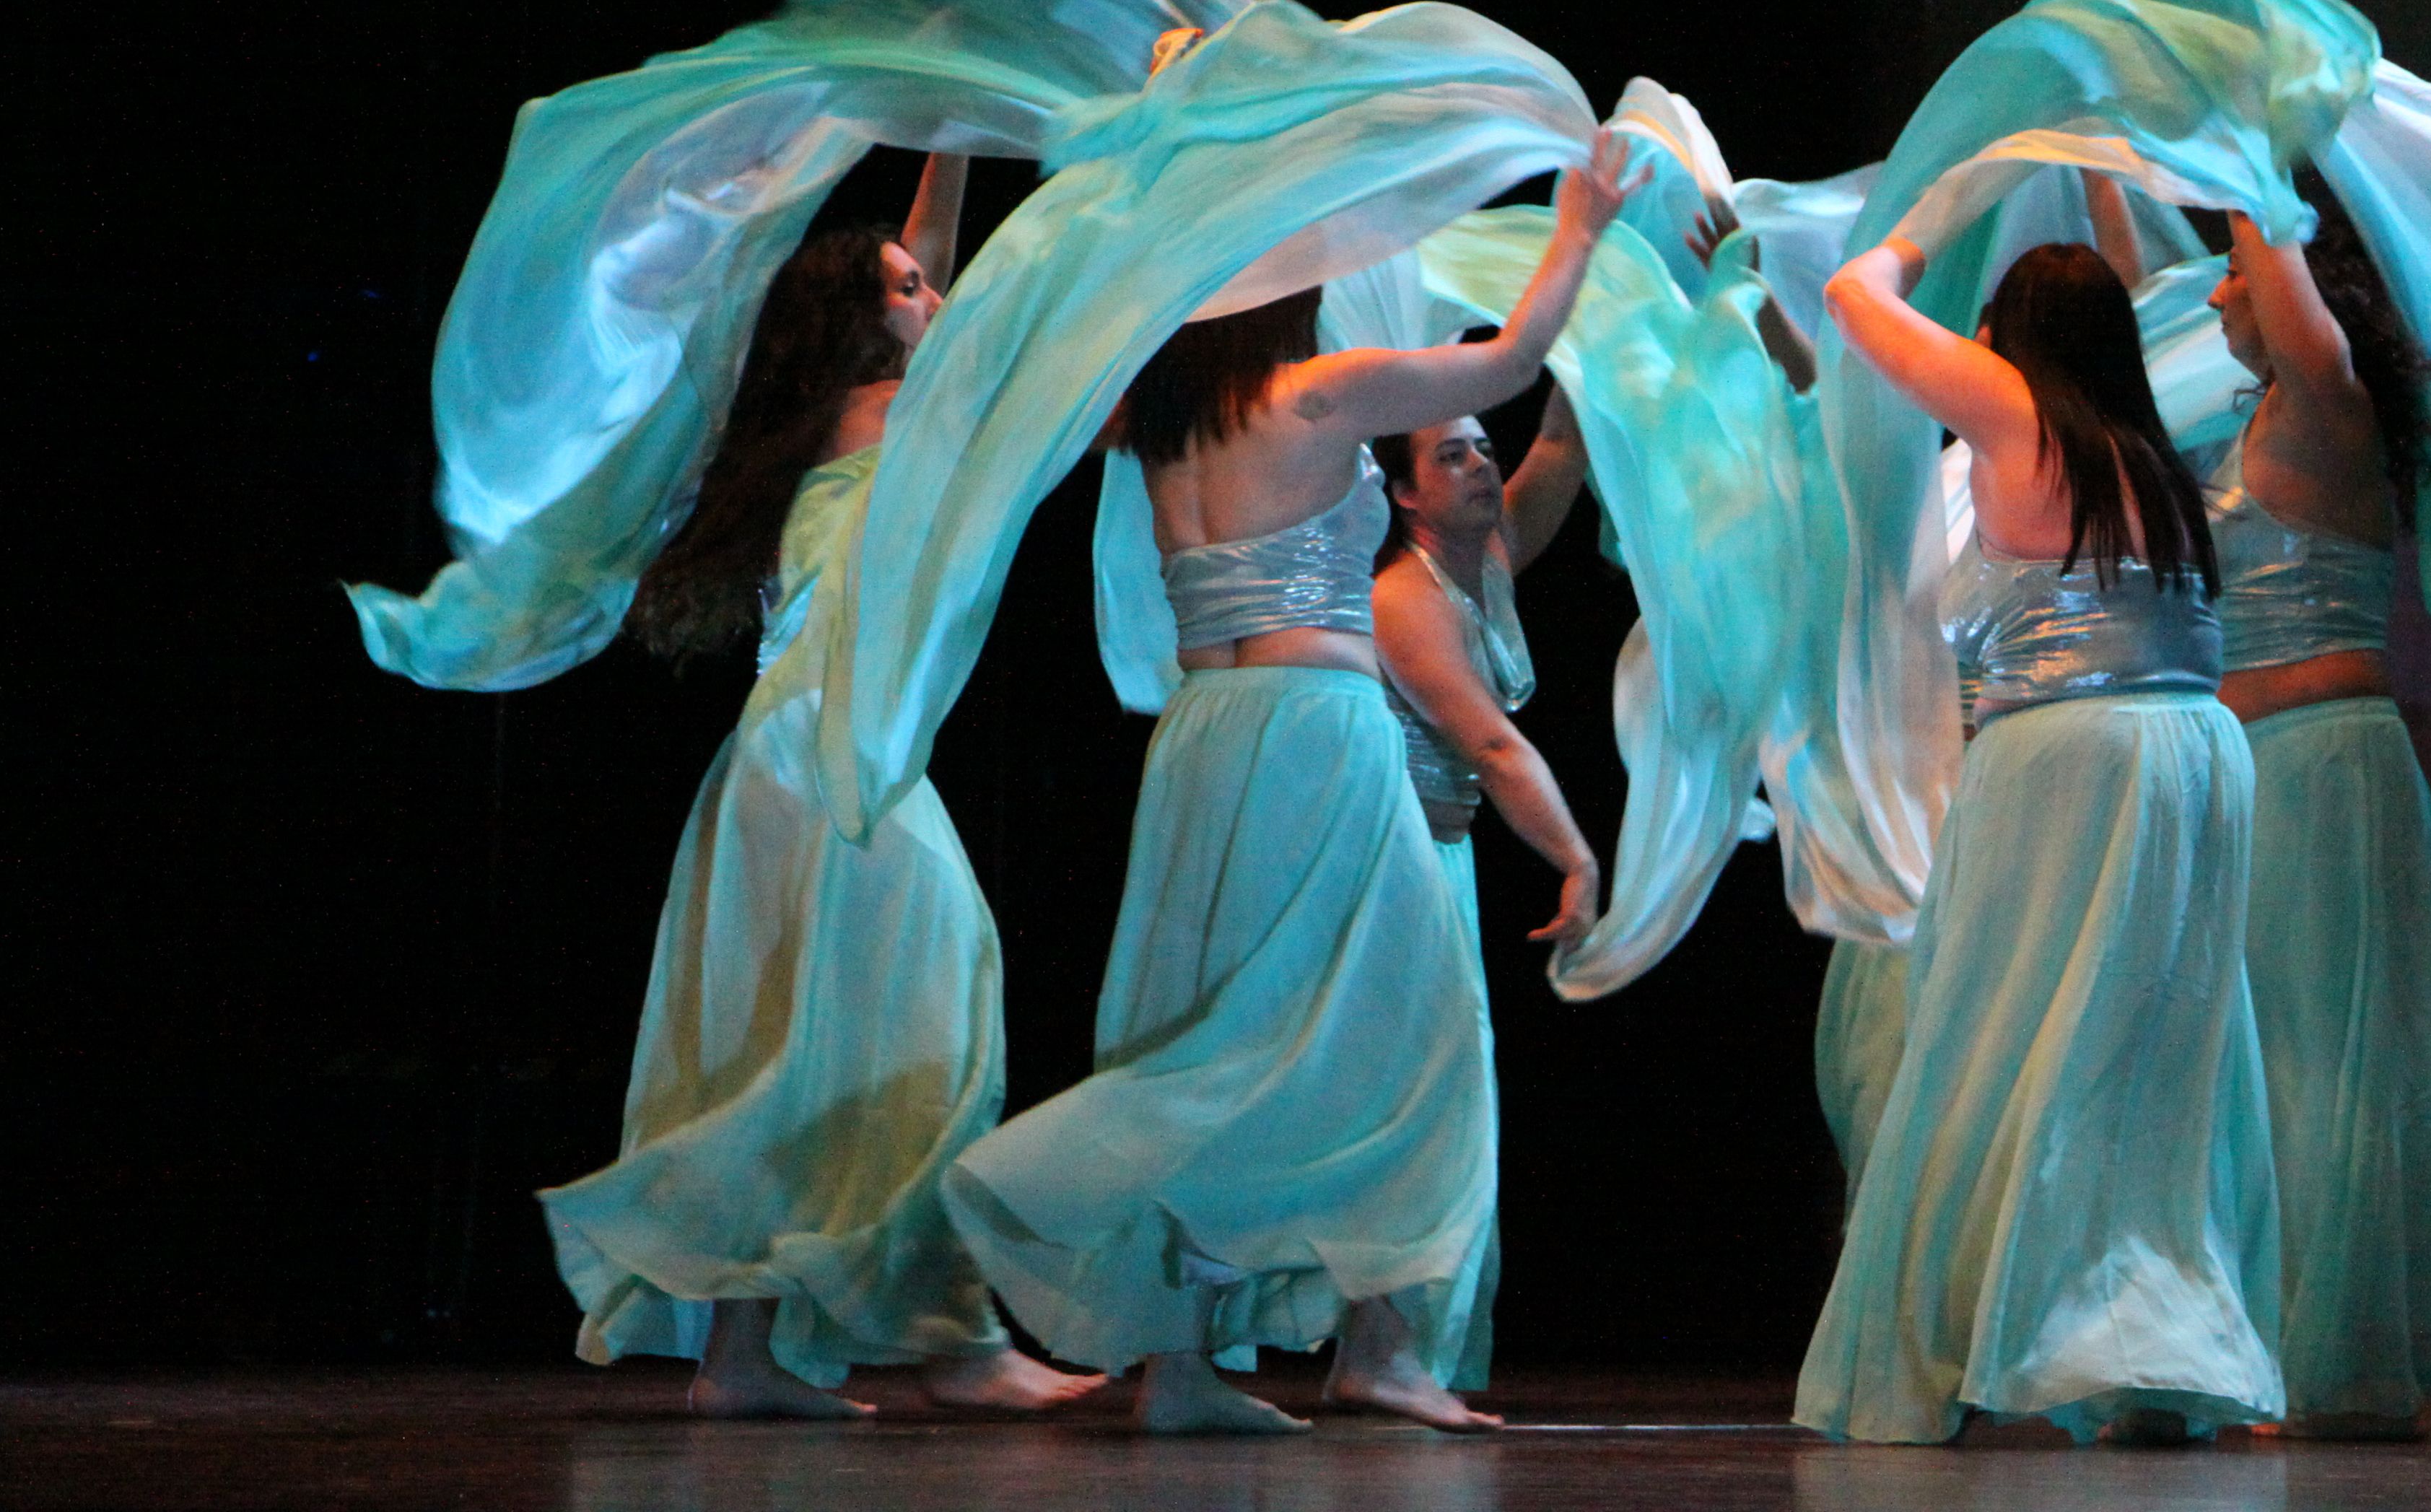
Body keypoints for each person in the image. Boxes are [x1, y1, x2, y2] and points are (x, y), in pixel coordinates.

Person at [940, 134, 1641, 1435]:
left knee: (1207, 1018)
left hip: (1204, 737)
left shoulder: (1151, 420)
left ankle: (1188, 1368)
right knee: (1409, 1030)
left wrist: (1141, 188)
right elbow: (1503, 360)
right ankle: (1370, 1345)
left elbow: (1029, 363)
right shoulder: (1316, 395)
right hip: (1316, 731)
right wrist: (1582, 226)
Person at [538, 154, 1101, 1420]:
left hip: (783, 753)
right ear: (864, 328)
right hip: (831, 754)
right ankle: (957, 1345)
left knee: (790, 1043)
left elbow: (929, 270)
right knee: (933, 1011)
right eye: (908, 292)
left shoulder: (836, 418)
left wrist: (950, 137)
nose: (931, 296)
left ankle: (740, 1360)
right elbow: (996, 332)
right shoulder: (901, 411)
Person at [1794, 235, 2284, 1446]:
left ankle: (1979, 1340)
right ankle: (2146, 1350)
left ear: (2016, 341)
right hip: (2193, 758)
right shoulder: (2153, 453)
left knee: (1998, 1035)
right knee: (2148, 1064)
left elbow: (1854, 300)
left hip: (2070, 757)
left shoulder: (2024, 422)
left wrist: (1932, 206)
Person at [2204, 180, 2431, 1437]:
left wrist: (2254, 151)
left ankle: (2333, 1361)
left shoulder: (2330, 399)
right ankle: (2272, 1341)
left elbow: (2298, 309)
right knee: (2253, 1072)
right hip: (2253, 775)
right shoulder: (2254, 408)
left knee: (2323, 1070)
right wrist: (2107, 161)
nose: (2211, 291)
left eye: (2234, 272)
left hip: (2323, 768)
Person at [1362, 385, 1606, 1385]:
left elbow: (1562, 433)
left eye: (1480, 450)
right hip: (1389, 871)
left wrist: (1605, 278)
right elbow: (1496, 748)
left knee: (1451, 1099)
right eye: (1451, 456)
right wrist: (1578, 859)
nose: (1479, 467)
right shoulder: (1407, 596)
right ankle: (1396, 1354)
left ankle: (1415, 1354)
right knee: (1419, 1102)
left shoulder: (1491, 557)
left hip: (1443, 859)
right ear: (1407, 497)